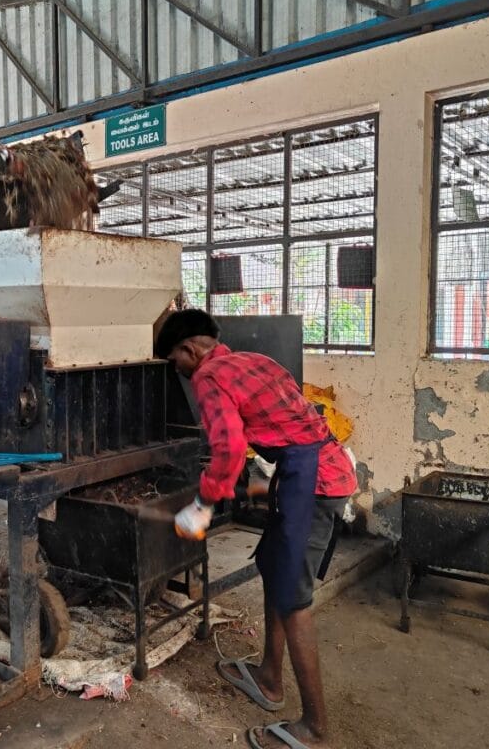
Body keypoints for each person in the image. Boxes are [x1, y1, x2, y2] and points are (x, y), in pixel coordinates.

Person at [156, 309, 357, 749]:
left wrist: (203, 504)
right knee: (271, 564)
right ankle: (269, 678)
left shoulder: (209, 377)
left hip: (316, 483)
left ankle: (316, 728)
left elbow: (227, 452)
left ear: (191, 350)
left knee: (293, 598)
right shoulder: (254, 360)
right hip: (310, 470)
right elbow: (291, 424)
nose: (180, 371)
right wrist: (266, 486)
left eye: (175, 362)